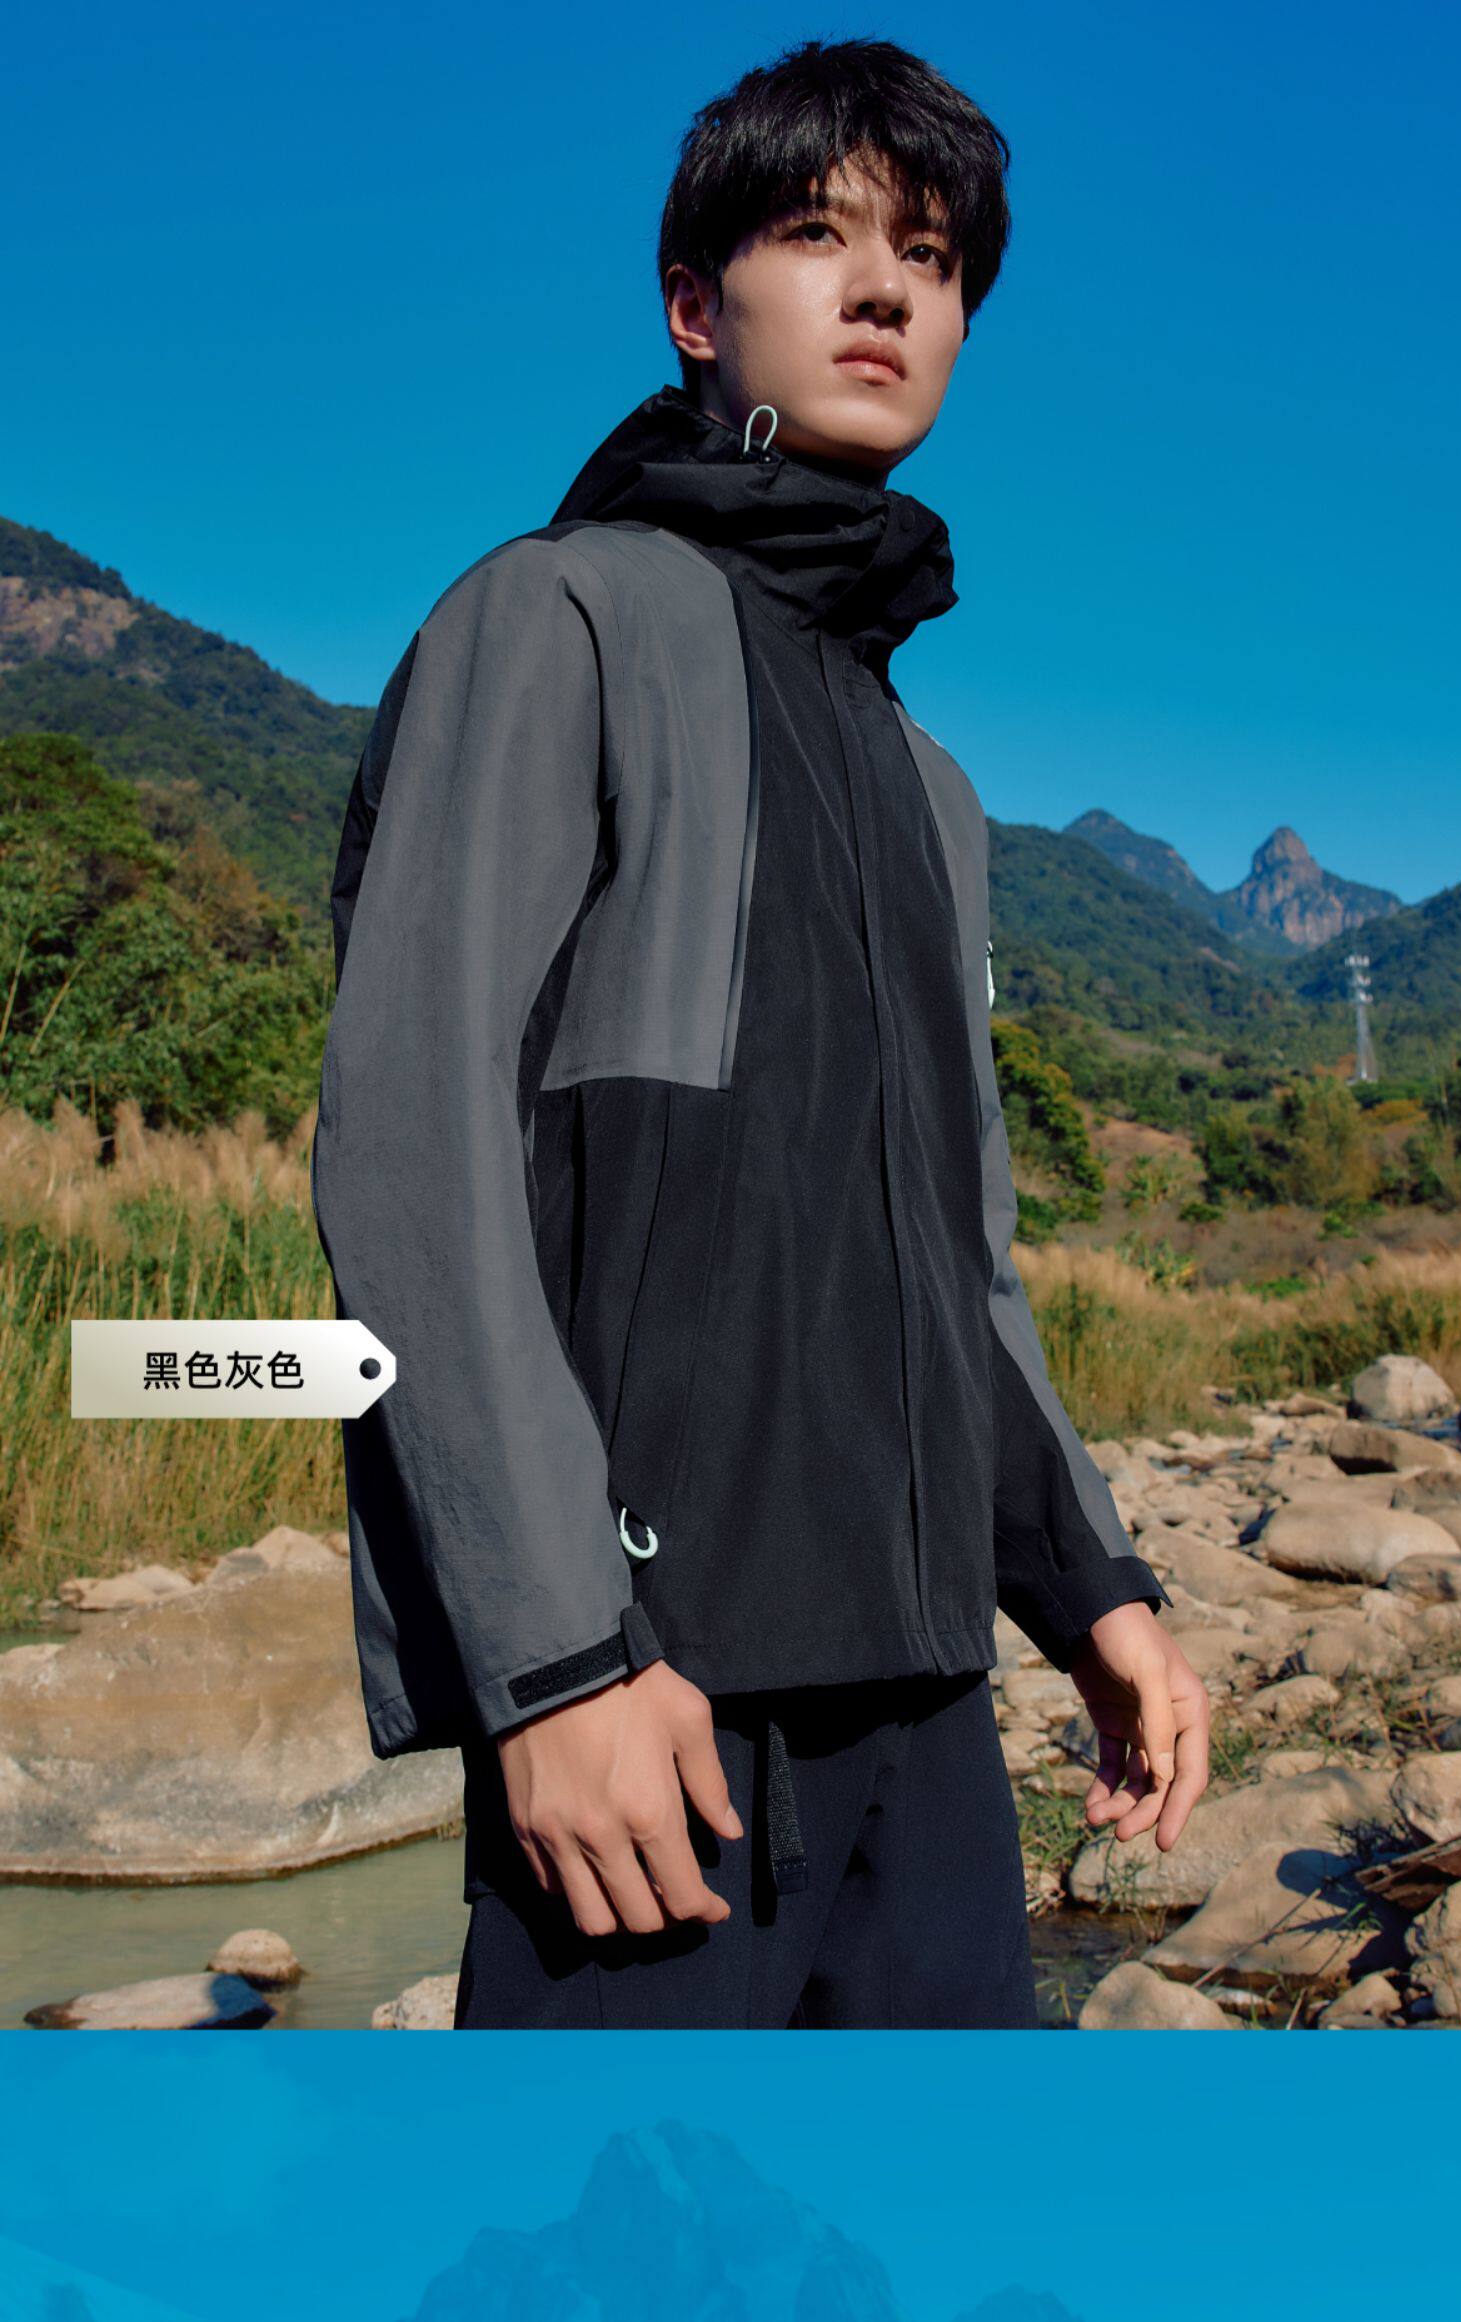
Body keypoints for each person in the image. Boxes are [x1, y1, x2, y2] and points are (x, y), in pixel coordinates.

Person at [310, 35, 1211, 2029]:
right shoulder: (554, 618)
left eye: (934, 258)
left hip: (931, 1712)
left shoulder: (933, 789)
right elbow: (412, 1155)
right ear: (696, 308)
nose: (886, 288)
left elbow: (966, 1260)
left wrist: (1096, 1590)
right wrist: (552, 1664)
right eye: (819, 234)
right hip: (655, 1711)